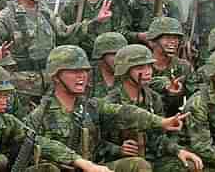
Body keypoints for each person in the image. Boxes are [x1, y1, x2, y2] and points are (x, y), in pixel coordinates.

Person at [26, 45, 190, 172]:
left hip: (96, 168)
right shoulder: (39, 116)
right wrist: (81, 163)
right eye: (74, 71)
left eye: (84, 71)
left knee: (138, 165)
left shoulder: (90, 106)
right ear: (55, 76)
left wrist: (160, 122)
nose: (82, 76)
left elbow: (124, 112)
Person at [0, 0, 111, 117]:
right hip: (20, 90)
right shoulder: (4, 18)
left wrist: (95, 22)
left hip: (49, 86)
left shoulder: (45, 12)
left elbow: (65, 34)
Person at [0, 63, 111, 172]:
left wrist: (83, 163)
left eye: (6, 94)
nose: (4, 100)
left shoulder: (7, 123)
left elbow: (40, 142)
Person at [102, 45, 203, 172]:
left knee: (189, 164)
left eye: (149, 66)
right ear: (125, 71)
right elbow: (97, 143)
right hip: (120, 163)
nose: (148, 71)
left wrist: (177, 150)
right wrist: (117, 149)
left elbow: (157, 137)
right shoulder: (111, 102)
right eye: (140, 67)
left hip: (150, 158)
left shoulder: (153, 98)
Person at [145, 17, 196, 116]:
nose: (173, 41)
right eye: (167, 37)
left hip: (174, 120)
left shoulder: (183, 67)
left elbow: (194, 95)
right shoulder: (141, 66)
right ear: (153, 41)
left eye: (176, 38)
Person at [90, 32, 128, 99]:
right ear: (101, 55)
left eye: (123, 53)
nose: (119, 58)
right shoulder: (86, 76)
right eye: (114, 54)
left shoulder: (132, 73)